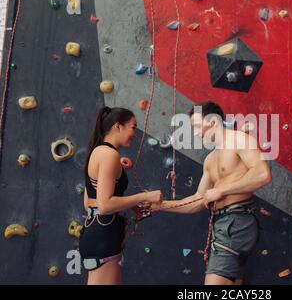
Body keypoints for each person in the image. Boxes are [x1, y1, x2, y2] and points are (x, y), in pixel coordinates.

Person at [161, 101, 272, 285]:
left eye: (197, 126)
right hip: (225, 225)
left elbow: (263, 174)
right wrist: (161, 206)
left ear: (213, 122)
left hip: (236, 223)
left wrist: (221, 190)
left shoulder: (239, 139)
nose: (196, 133)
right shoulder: (209, 160)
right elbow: (198, 199)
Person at [79, 106, 162, 285]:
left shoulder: (97, 152)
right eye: (133, 127)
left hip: (95, 233)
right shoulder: (109, 155)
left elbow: (89, 203)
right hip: (104, 235)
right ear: (118, 126)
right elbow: (105, 205)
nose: (135, 133)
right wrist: (144, 197)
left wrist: (130, 205)